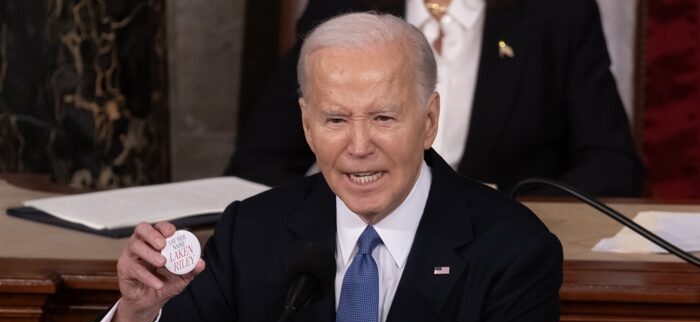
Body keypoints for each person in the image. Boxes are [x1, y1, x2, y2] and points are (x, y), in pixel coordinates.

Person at [75, 13, 563, 322]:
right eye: (335, 119)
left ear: (429, 120)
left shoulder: (512, 248)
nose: (358, 146)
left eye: (383, 117)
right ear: (307, 125)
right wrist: (135, 316)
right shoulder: (256, 232)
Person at [226, 0, 644, 197]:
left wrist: (503, 204)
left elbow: (613, 167)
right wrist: (345, 204)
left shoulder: (556, 14)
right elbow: (257, 162)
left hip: (500, 259)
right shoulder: (343, 6)